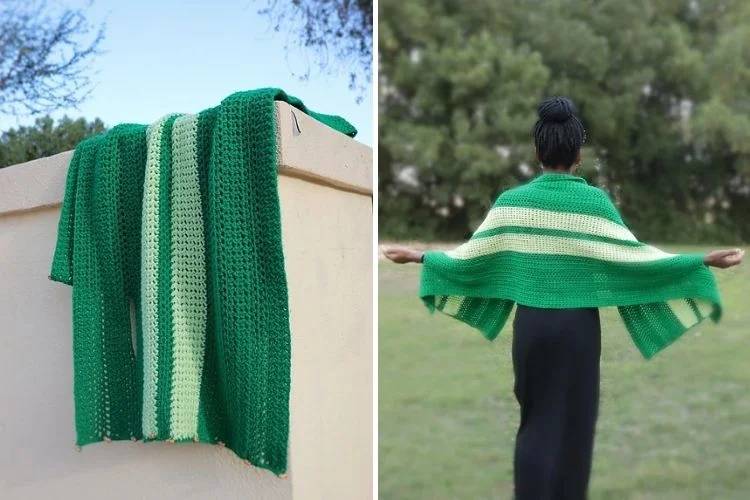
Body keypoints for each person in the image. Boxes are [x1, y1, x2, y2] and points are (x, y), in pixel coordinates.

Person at [381, 96, 744, 500]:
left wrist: (419, 256)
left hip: (532, 329)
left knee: (535, 424)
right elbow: (637, 260)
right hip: (579, 332)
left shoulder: (512, 204)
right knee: (575, 428)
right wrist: (702, 262)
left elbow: (472, 257)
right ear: (579, 155)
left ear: (538, 152)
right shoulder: (594, 204)